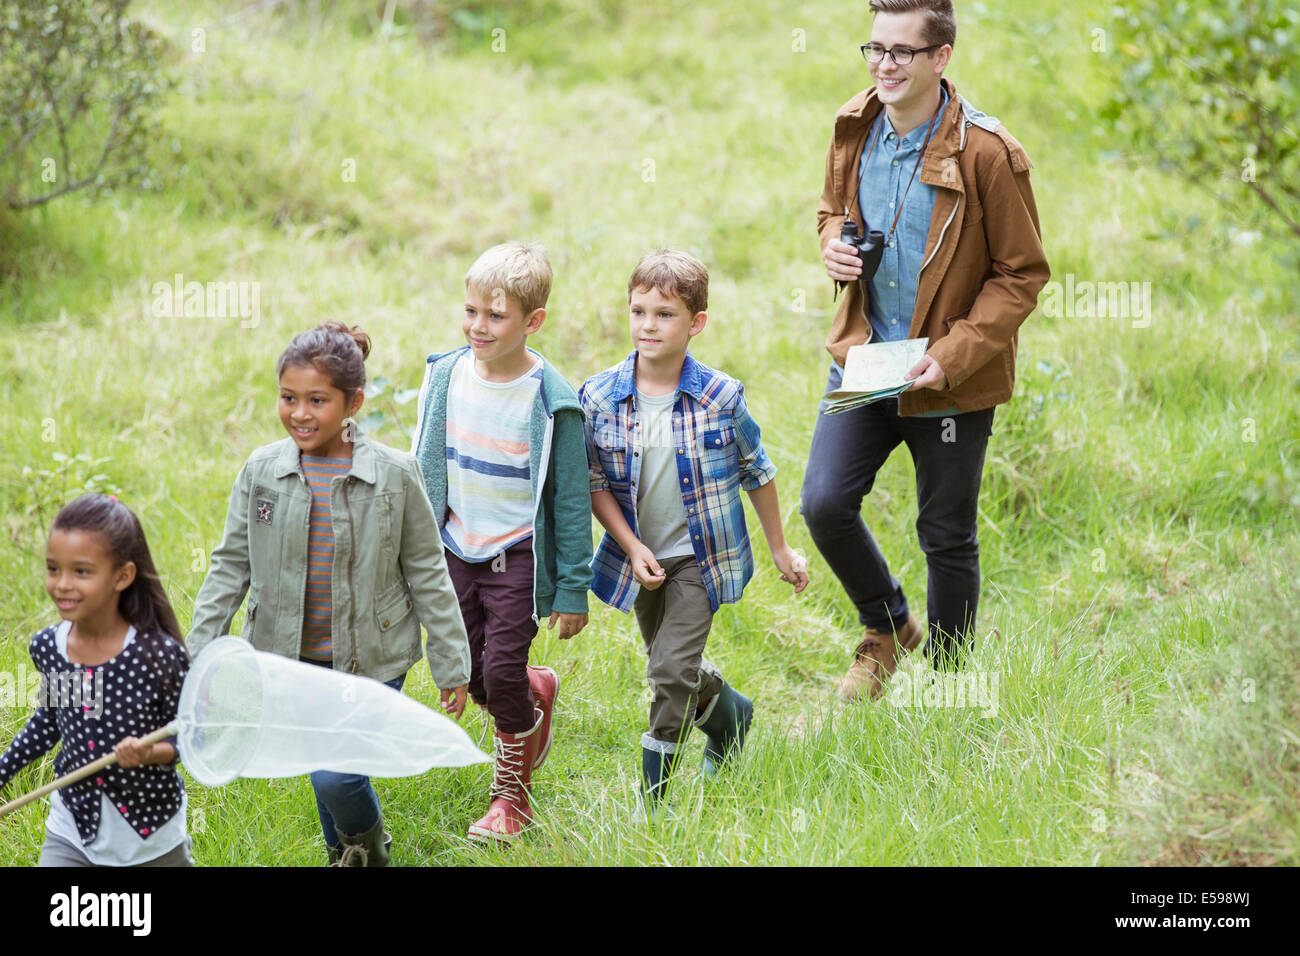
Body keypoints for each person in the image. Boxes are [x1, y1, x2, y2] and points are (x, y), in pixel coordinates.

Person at [806, 0, 1050, 701]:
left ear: (941, 58)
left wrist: (954, 353)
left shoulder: (987, 153)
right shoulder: (854, 126)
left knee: (945, 534)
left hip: (948, 376)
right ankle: (886, 628)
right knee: (824, 504)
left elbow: (1021, 274)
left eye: (901, 52)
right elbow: (830, 211)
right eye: (874, 49)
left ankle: (947, 691)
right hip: (865, 359)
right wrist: (831, 243)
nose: (883, 65)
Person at [188, 321, 471, 866]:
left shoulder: (394, 474)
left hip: (372, 655)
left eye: (317, 400)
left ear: (353, 402)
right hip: (290, 658)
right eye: (288, 398)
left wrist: (450, 662)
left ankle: (369, 850)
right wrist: (200, 654)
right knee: (325, 768)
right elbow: (228, 567)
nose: (299, 413)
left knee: (335, 771)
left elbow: (428, 572)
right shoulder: (262, 472)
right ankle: (346, 855)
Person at [582, 249, 809, 819]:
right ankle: (732, 716)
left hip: (700, 559)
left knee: (668, 672)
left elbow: (757, 471)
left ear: (696, 324)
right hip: (641, 558)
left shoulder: (720, 397)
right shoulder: (600, 397)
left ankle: (651, 805)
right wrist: (632, 548)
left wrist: (780, 547)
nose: (648, 326)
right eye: (639, 312)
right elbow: (592, 483)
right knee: (674, 667)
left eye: (664, 314)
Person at [410, 241, 593, 844]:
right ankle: (536, 696)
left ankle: (511, 796)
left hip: (515, 555)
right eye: (470, 312)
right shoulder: (444, 377)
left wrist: (571, 588)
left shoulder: (551, 401)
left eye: (494, 316)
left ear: (533, 321)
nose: (477, 327)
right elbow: (422, 469)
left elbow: (568, 500)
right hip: (454, 548)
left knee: (501, 668)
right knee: (470, 669)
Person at [0, 494, 193, 867]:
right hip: (73, 828)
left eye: (82, 572)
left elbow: (186, 734)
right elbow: (50, 722)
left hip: (149, 837)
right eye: (54, 569)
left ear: (122, 576)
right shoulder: (52, 647)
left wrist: (151, 753)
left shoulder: (157, 656)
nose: (63, 584)